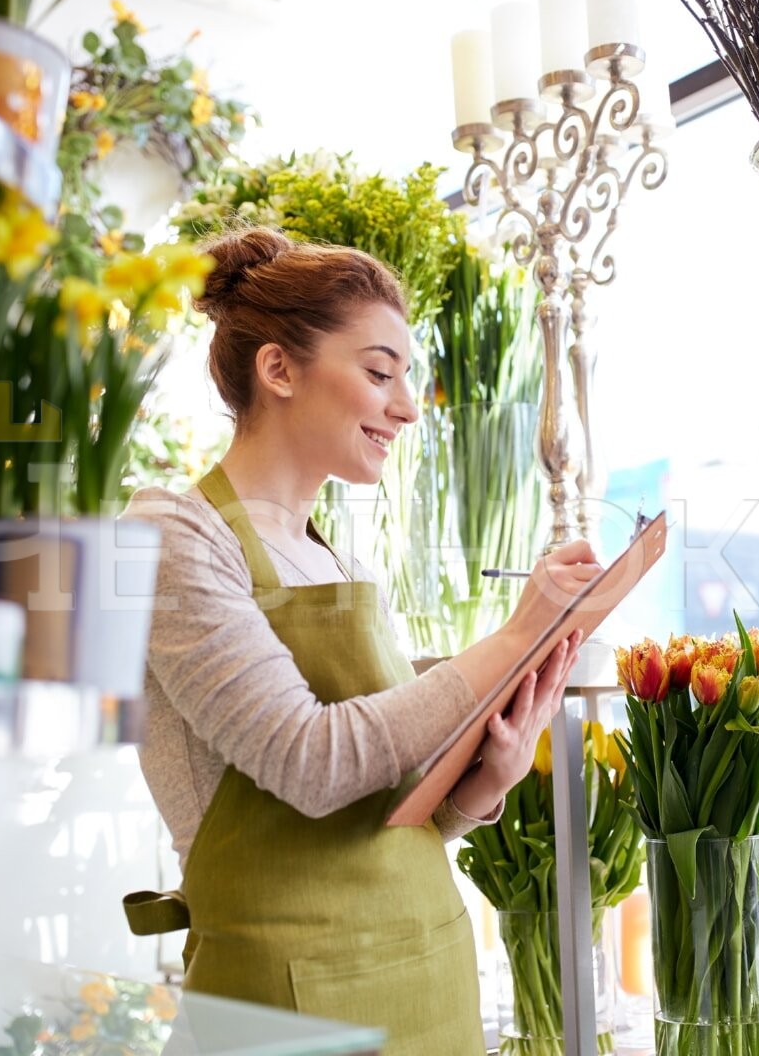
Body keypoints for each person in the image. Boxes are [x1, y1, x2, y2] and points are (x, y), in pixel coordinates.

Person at [121, 227, 600, 1054]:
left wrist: (488, 780)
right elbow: (313, 766)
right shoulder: (174, 537)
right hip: (283, 1004)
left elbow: (383, 819)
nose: (408, 406)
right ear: (278, 370)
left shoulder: (333, 557)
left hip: (428, 973)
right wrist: (519, 630)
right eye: (380, 373)